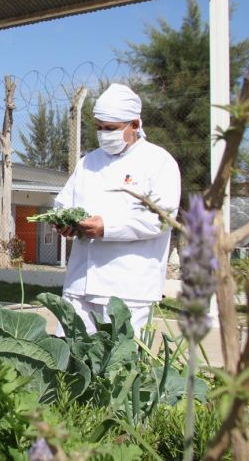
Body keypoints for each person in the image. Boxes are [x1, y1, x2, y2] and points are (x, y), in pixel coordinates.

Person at [54, 83, 180, 336]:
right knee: (67, 360)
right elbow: (64, 201)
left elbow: (161, 219)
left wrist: (107, 227)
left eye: (110, 128)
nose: (103, 134)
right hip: (81, 282)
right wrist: (63, 220)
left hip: (129, 286)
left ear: (134, 124)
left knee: (119, 366)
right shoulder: (89, 161)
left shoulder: (158, 161)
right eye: (99, 128)